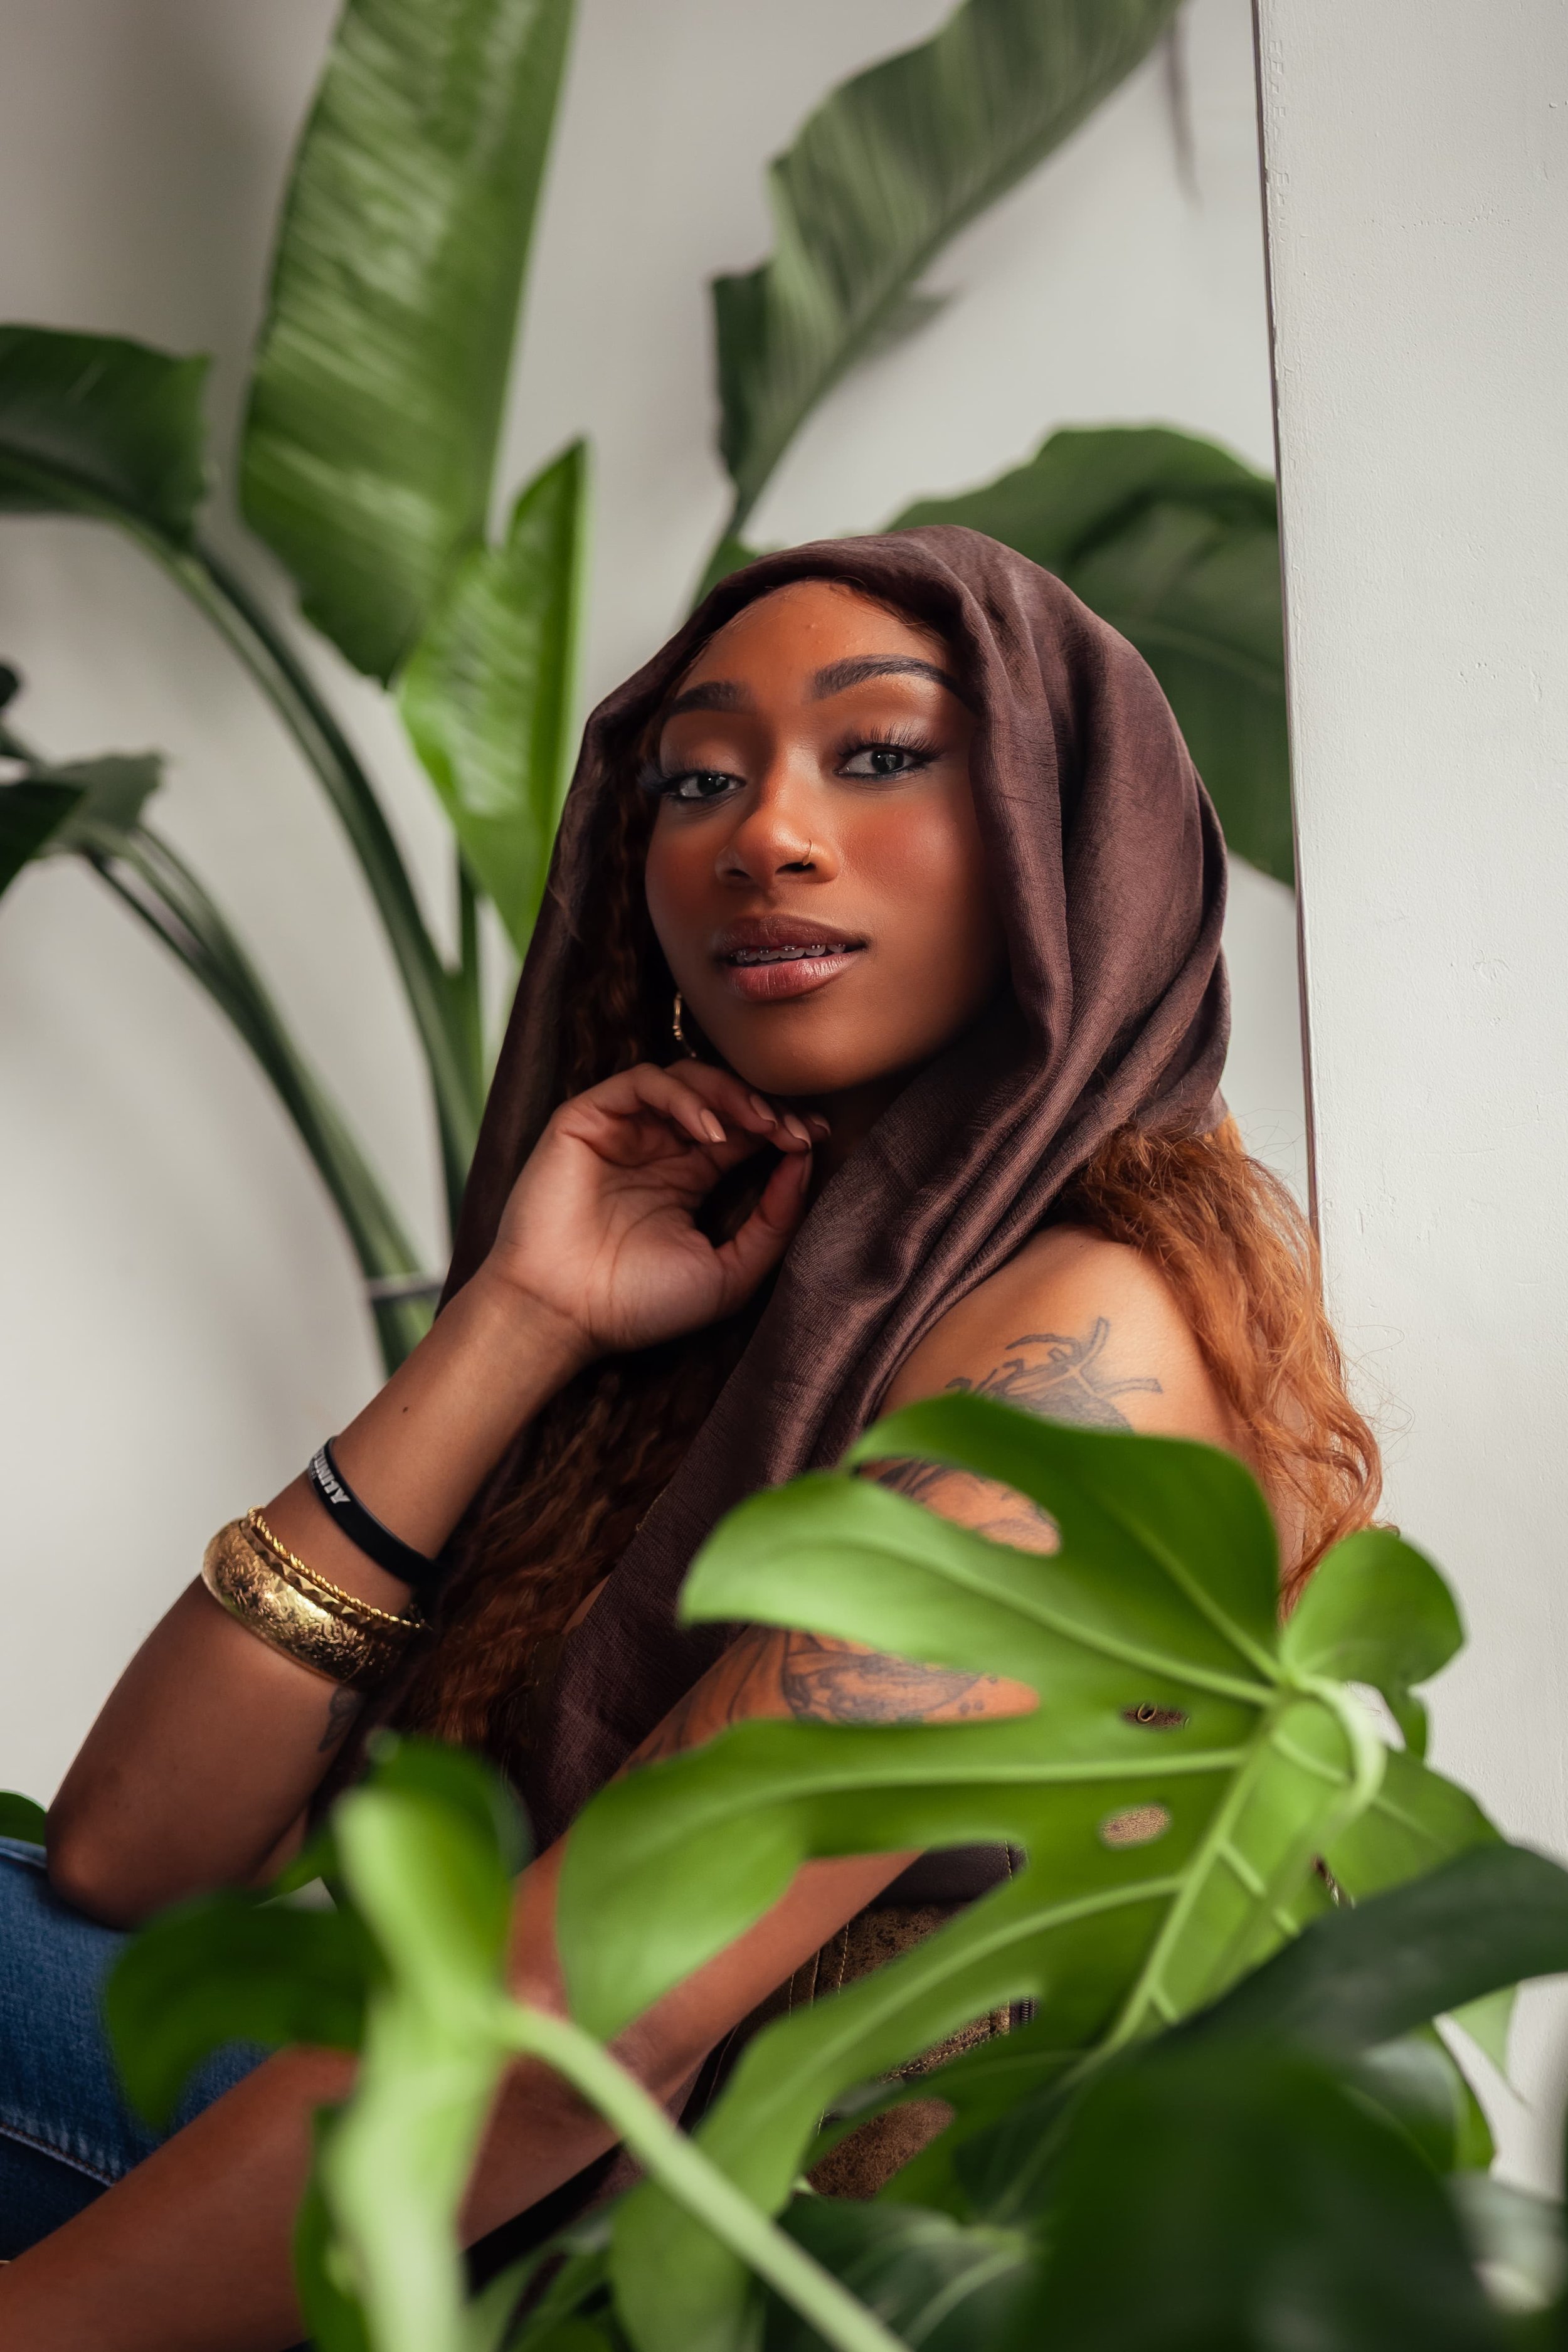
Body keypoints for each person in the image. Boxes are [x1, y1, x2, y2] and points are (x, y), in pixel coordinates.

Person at [0, 529, 1378, 2346]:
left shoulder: (1086, 1350)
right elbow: (129, 1860)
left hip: (765, 2288)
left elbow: (582, 2031)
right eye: (696, 780)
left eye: (879, 755)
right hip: (559, 2184)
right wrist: (516, 1322)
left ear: (1069, 842)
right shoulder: (732, 1276)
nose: (766, 835)